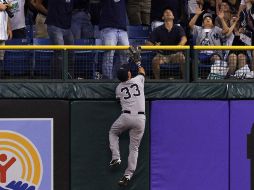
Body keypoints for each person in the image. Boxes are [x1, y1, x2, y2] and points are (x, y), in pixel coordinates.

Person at [109, 47, 146, 187]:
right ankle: (128, 175)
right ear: (129, 74)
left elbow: (119, 100)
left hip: (126, 116)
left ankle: (116, 157)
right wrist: (137, 62)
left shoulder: (118, 88)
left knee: (113, 132)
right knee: (134, 148)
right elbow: (142, 72)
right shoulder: (137, 80)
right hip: (140, 119)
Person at [146, 8, 187, 79]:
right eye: (166, 12)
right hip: (162, 55)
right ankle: (157, 81)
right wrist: (154, 46)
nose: (168, 12)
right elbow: (148, 43)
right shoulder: (157, 29)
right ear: (163, 17)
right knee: (155, 61)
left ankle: (184, 80)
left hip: (175, 54)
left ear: (173, 17)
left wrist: (179, 46)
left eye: (170, 12)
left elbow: (184, 39)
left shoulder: (178, 28)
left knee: (182, 58)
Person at [99, 0, 129, 79]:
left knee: (126, 55)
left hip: (122, 30)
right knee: (109, 55)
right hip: (108, 28)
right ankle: (108, 79)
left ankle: (120, 77)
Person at [46, 0, 74, 78]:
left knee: (71, 54)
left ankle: (70, 78)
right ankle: (58, 79)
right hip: (54, 26)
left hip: (67, 28)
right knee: (60, 53)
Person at [0, 1, 12, 77]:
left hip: (2, 32)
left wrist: (9, 28)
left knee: (1, 55)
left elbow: (6, 14)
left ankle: (1, 73)